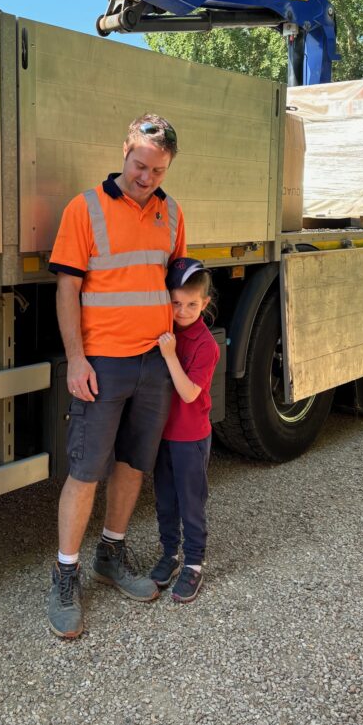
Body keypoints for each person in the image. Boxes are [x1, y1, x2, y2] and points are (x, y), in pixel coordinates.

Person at [47, 113, 186, 639]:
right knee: (85, 472)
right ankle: (65, 574)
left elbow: (173, 282)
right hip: (102, 363)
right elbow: (66, 290)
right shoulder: (84, 209)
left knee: (132, 465)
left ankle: (110, 552)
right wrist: (76, 359)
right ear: (124, 150)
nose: (145, 176)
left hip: (154, 362)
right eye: (139, 163)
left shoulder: (171, 213)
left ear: (168, 167)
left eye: (158, 169)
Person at [149, 257, 220, 603]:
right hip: (163, 435)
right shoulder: (168, 332)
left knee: (190, 501)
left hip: (190, 437)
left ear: (205, 304)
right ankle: (169, 554)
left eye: (192, 304)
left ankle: (193, 562)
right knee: (164, 498)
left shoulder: (205, 346)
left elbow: (190, 392)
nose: (183, 311)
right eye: (175, 303)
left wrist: (170, 355)